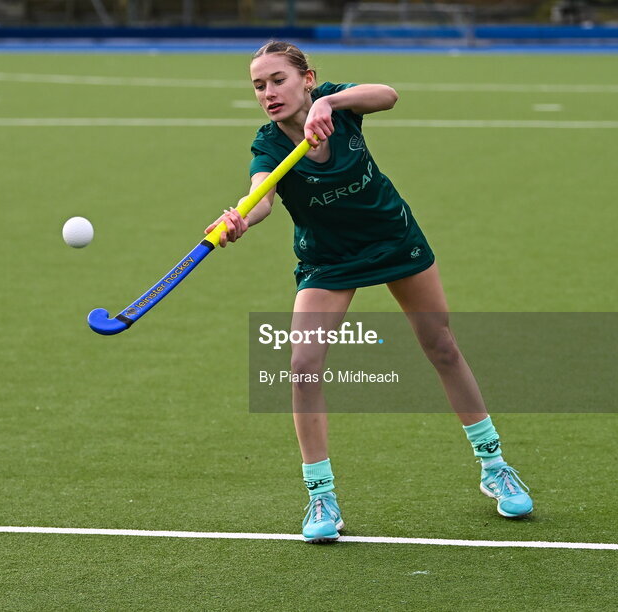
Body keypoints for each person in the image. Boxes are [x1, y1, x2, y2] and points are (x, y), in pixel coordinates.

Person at [206, 41, 533, 543]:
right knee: (302, 364)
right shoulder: (269, 145)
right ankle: (321, 496)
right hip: (329, 259)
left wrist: (329, 104)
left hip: (393, 238)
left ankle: (495, 466)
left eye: (278, 80)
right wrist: (237, 218)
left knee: (441, 345)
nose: (268, 93)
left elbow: (389, 94)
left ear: (307, 78)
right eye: (258, 85)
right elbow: (261, 198)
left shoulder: (338, 103)